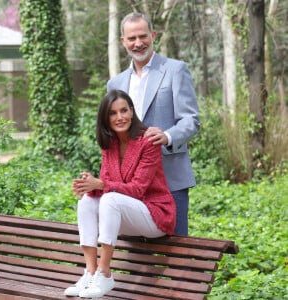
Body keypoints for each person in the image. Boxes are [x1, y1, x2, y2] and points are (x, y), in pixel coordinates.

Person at [64, 89, 176, 298]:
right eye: (113, 113)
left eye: (124, 110)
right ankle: (90, 271)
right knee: (86, 202)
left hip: (154, 214)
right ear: (106, 118)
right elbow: (108, 184)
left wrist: (100, 184)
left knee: (109, 198)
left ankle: (104, 273)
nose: (120, 117)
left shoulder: (147, 141)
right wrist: (90, 185)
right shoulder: (110, 144)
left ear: (132, 112)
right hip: (125, 214)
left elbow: (137, 189)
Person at [107, 12, 200, 236]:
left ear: (153, 35)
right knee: (138, 253)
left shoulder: (175, 70)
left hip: (170, 176)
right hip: (131, 181)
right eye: (131, 38)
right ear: (123, 42)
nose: (138, 43)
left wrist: (167, 136)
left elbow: (191, 120)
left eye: (143, 36)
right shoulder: (115, 83)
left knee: (177, 249)